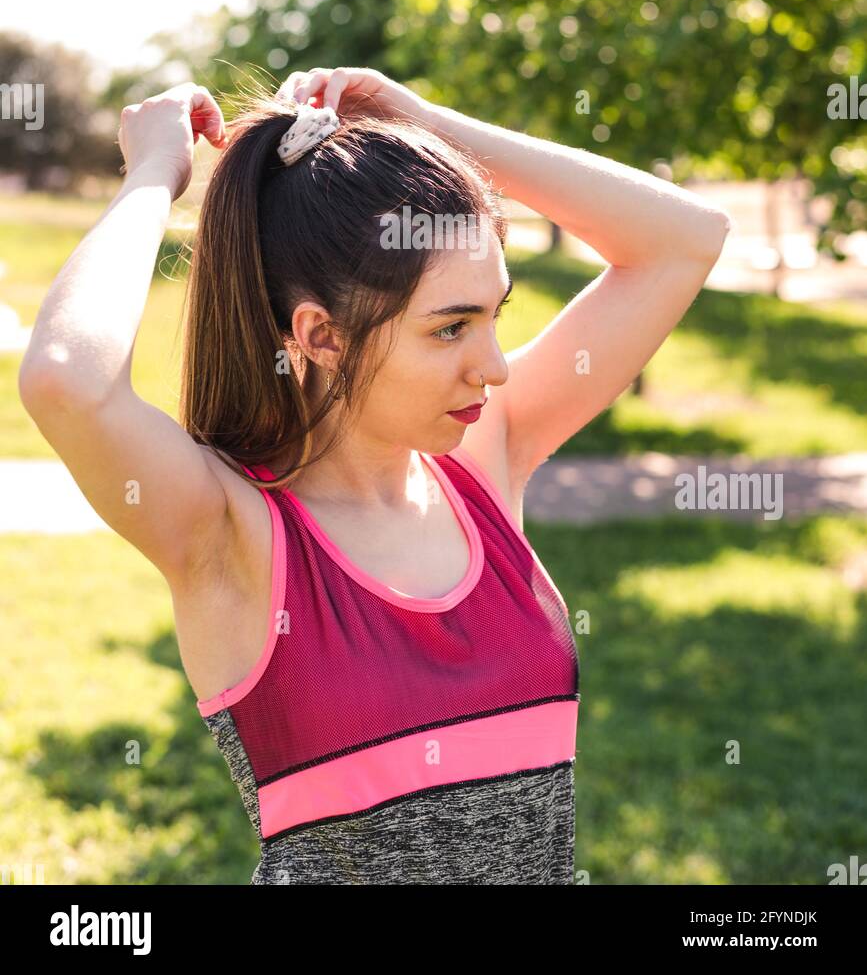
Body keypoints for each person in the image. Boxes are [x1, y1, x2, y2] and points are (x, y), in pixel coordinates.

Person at [19, 66, 731, 885]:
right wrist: (154, 174)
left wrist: (430, 125)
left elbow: (683, 241)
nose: (493, 367)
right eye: (450, 328)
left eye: (495, 315)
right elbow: (67, 378)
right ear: (320, 336)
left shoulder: (482, 464)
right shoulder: (231, 529)